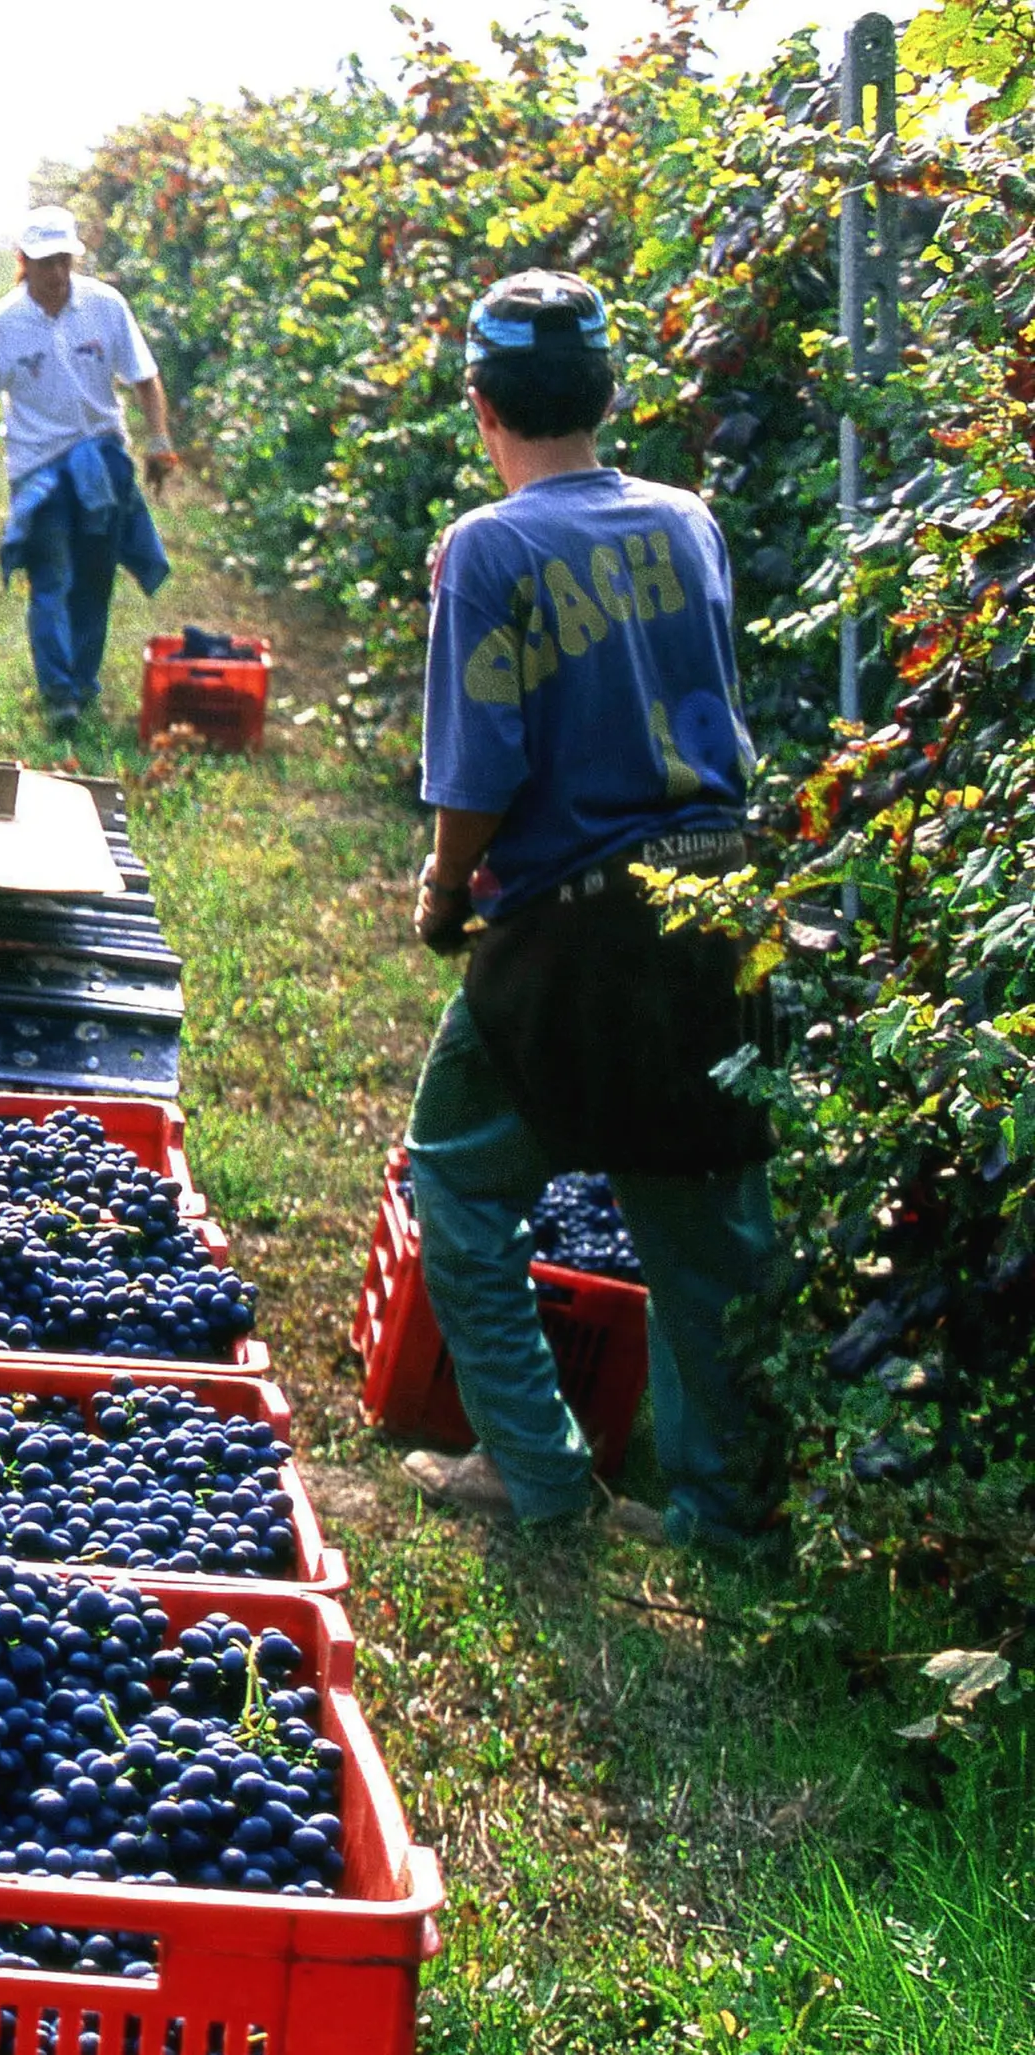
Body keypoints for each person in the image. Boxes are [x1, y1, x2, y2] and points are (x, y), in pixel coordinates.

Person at [394, 270, 775, 1549]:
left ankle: (544, 1476)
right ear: (609, 395)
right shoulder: (691, 521)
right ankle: (728, 1520)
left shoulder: (491, 548)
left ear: (479, 402)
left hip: (582, 924)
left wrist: (447, 897)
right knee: (701, 1203)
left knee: (456, 1179)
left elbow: (480, 769)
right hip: (721, 898)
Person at [0, 205, 180, 729]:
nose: (57, 274)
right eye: (45, 263)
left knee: (94, 575)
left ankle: (83, 682)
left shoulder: (105, 307)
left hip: (101, 459)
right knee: (50, 575)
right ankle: (59, 692)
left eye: (64, 261)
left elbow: (144, 378)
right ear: (24, 262)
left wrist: (159, 442)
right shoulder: (0, 326)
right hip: (37, 466)